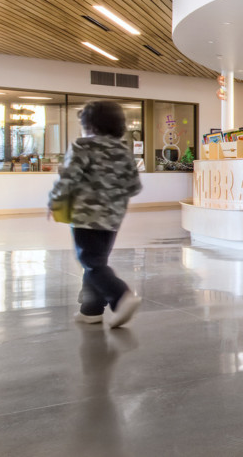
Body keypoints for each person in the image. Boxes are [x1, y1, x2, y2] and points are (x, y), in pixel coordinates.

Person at [49, 100, 144, 328]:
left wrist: (54, 200)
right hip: (112, 218)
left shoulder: (82, 146)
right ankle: (91, 311)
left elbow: (68, 178)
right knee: (97, 261)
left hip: (86, 217)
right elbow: (134, 187)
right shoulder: (123, 150)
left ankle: (121, 296)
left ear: (88, 124)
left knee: (91, 262)